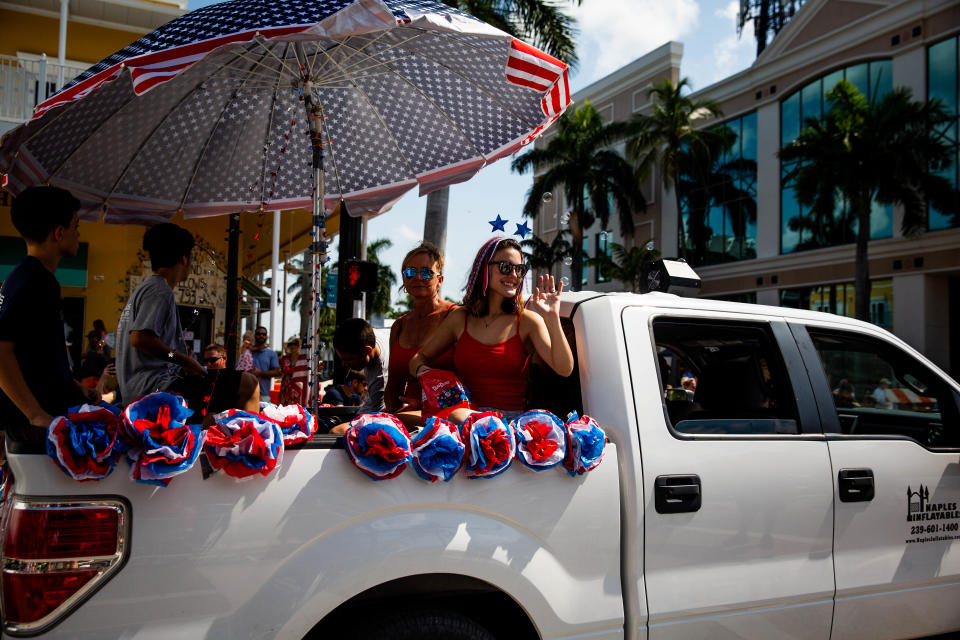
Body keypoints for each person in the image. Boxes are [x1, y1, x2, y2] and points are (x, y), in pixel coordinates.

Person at [409, 237, 573, 424]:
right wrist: (430, 377)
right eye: (505, 267)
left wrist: (552, 317)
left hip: (506, 430)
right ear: (484, 269)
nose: (514, 275)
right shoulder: (460, 318)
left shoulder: (528, 321)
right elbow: (418, 359)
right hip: (461, 419)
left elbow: (564, 369)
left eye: (519, 270)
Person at [0, 186, 98, 443]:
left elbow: (35, 356)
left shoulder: (22, 278)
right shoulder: (36, 282)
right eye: (76, 226)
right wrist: (36, 415)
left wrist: (74, 385)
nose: (78, 234)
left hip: (43, 419)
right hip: (38, 426)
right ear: (59, 232)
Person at [115, 223, 206, 409]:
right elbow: (140, 338)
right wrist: (185, 360)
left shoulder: (147, 288)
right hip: (153, 388)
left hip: (142, 388)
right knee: (245, 385)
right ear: (184, 258)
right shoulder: (160, 290)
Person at [385, 242, 457, 429]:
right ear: (404, 279)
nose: (418, 277)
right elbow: (393, 384)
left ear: (439, 280)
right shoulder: (399, 325)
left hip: (449, 412)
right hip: (407, 416)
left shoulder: (455, 316)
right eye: (410, 272)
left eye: (426, 273)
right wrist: (392, 410)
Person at [328, 318, 386, 434]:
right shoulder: (370, 337)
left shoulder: (382, 376)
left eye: (349, 359)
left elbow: (379, 416)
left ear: (367, 350)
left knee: (336, 431)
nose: (344, 364)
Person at [199, 343, 260, 424]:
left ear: (224, 358)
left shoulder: (243, 379)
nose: (209, 364)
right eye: (206, 361)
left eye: (213, 360)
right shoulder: (204, 378)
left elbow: (250, 418)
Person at [249, 326, 281, 403]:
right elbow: (238, 368)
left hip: (263, 394)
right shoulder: (248, 352)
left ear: (266, 336)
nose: (261, 336)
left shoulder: (271, 353)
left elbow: (277, 372)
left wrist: (260, 373)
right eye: (259, 334)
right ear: (255, 335)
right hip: (247, 392)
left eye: (263, 334)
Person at [278, 337, 308, 405]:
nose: (293, 346)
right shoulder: (284, 358)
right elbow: (285, 370)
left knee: (297, 408)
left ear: (298, 346)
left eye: (295, 344)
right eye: (290, 344)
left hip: (298, 387)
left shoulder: (302, 359)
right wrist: (296, 370)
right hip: (286, 387)